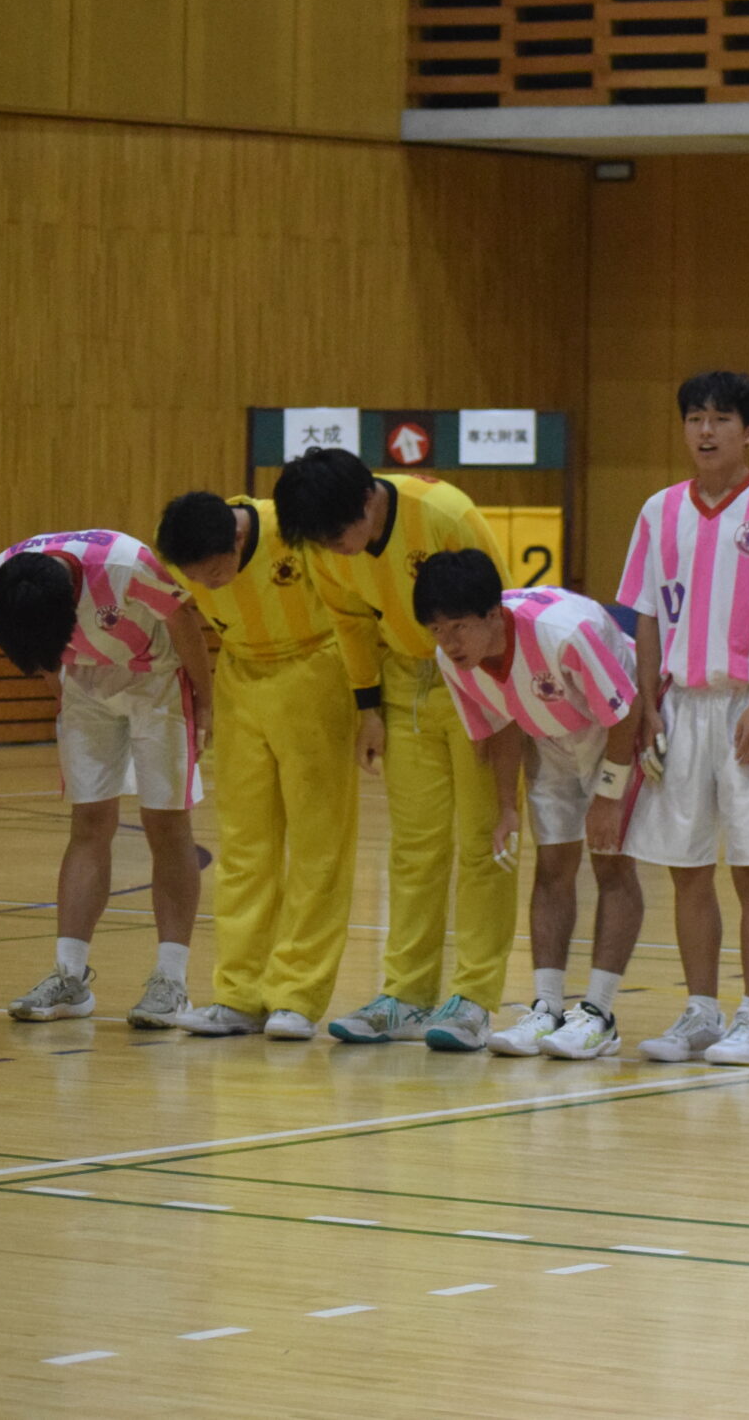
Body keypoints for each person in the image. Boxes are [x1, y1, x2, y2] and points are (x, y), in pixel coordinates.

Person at [274, 448, 512, 1050]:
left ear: (367, 502)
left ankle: (476, 1001)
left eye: (337, 533)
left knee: (485, 841)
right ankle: (406, 993)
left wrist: (500, 699)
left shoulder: (443, 514)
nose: (333, 548)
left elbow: (499, 610)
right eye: (319, 540)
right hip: (405, 682)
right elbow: (351, 622)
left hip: (477, 682)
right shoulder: (325, 548)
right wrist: (368, 707)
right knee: (415, 846)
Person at [616, 371, 749, 1067]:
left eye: (721, 418)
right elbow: (644, 611)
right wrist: (648, 702)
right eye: (695, 417)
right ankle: (700, 1009)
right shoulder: (658, 510)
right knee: (686, 868)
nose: (706, 430)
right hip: (681, 708)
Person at [419, 552, 647, 1061]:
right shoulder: (451, 661)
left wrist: (609, 795)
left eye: (458, 627)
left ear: (492, 616)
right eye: (437, 630)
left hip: (618, 726)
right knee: (551, 868)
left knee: (612, 863)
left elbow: (625, 713)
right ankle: (547, 1007)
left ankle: (600, 1015)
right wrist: (507, 807)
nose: (449, 643)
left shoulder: (565, 634)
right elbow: (499, 725)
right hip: (549, 734)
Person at [0, 528, 213, 1028]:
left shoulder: (129, 566)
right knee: (87, 822)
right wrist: (62, 688)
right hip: (84, 684)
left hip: (158, 680)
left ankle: (170, 981)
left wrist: (206, 700)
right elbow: (39, 651)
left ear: (74, 600)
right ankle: (69, 977)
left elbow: (184, 622)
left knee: (167, 823)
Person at [154, 491, 359, 1041]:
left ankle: (296, 993)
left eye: (217, 573)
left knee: (318, 845)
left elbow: (355, 607)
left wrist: (370, 698)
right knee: (244, 847)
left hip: (315, 670)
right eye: (202, 578)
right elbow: (179, 616)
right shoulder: (185, 555)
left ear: (239, 540)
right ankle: (238, 993)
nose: (212, 586)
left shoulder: (294, 529)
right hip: (241, 678)